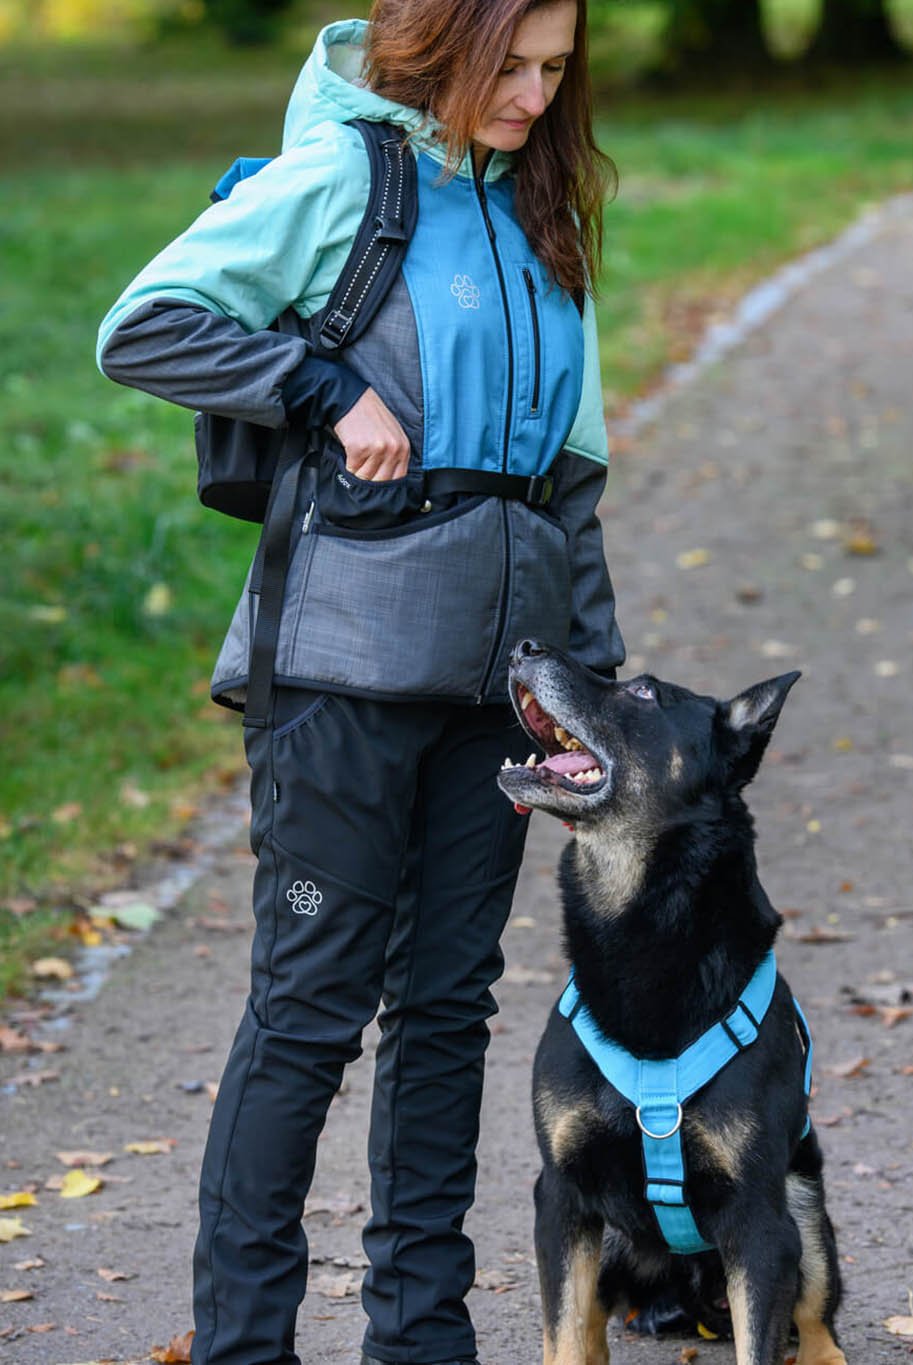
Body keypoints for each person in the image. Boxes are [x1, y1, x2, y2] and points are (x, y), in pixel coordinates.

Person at [96, 1, 623, 1361]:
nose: (529, 95)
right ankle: (245, 1345)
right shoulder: (344, 176)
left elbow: (568, 483)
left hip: (501, 687)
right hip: (342, 668)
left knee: (449, 1007)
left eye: (554, 70)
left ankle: (421, 1337)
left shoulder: (542, 212)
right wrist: (323, 386)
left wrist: (595, 693)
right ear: (437, 45)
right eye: (507, 64)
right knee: (312, 1006)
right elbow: (141, 327)